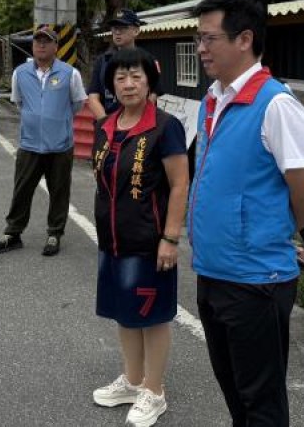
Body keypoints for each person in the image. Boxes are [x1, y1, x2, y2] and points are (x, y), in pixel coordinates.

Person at [187, 0, 304, 427]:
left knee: (261, 401)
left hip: (255, 281)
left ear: (244, 39)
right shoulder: (213, 99)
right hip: (213, 271)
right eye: (199, 38)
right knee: (235, 392)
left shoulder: (277, 106)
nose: (201, 48)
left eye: (209, 39)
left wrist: (266, 233)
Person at [91, 47, 188, 427]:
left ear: (149, 81)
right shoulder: (106, 126)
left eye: (136, 76)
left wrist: (171, 238)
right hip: (112, 240)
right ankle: (132, 381)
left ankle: (155, 389)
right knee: (124, 313)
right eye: (120, 77)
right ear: (111, 84)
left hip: (149, 242)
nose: (128, 84)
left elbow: (180, 185)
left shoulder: (165, 127)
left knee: (152, 316)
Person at [0, 25, 87, 257]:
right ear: (32, 45)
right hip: (29, 145)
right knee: (22, 190)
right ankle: (13, 233)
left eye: (47, 41)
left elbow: (77, 104)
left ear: (56, 46)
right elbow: (19, 103)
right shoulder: (20, 73)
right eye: (37, 41)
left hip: (61, 146)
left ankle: (55, 233)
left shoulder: (69, 73)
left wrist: (57, 122)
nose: (41, 45)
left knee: (59, 191)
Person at [87, 9, 163, 120]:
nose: (117, 32)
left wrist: (134, 123)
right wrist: (106, 123)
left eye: (123, 27)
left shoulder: (148, 60)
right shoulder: (102, 61)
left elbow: (153, 95)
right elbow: (93, 96)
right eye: (114, 28)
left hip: (139, 125)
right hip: (107, 125)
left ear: (136, 31)